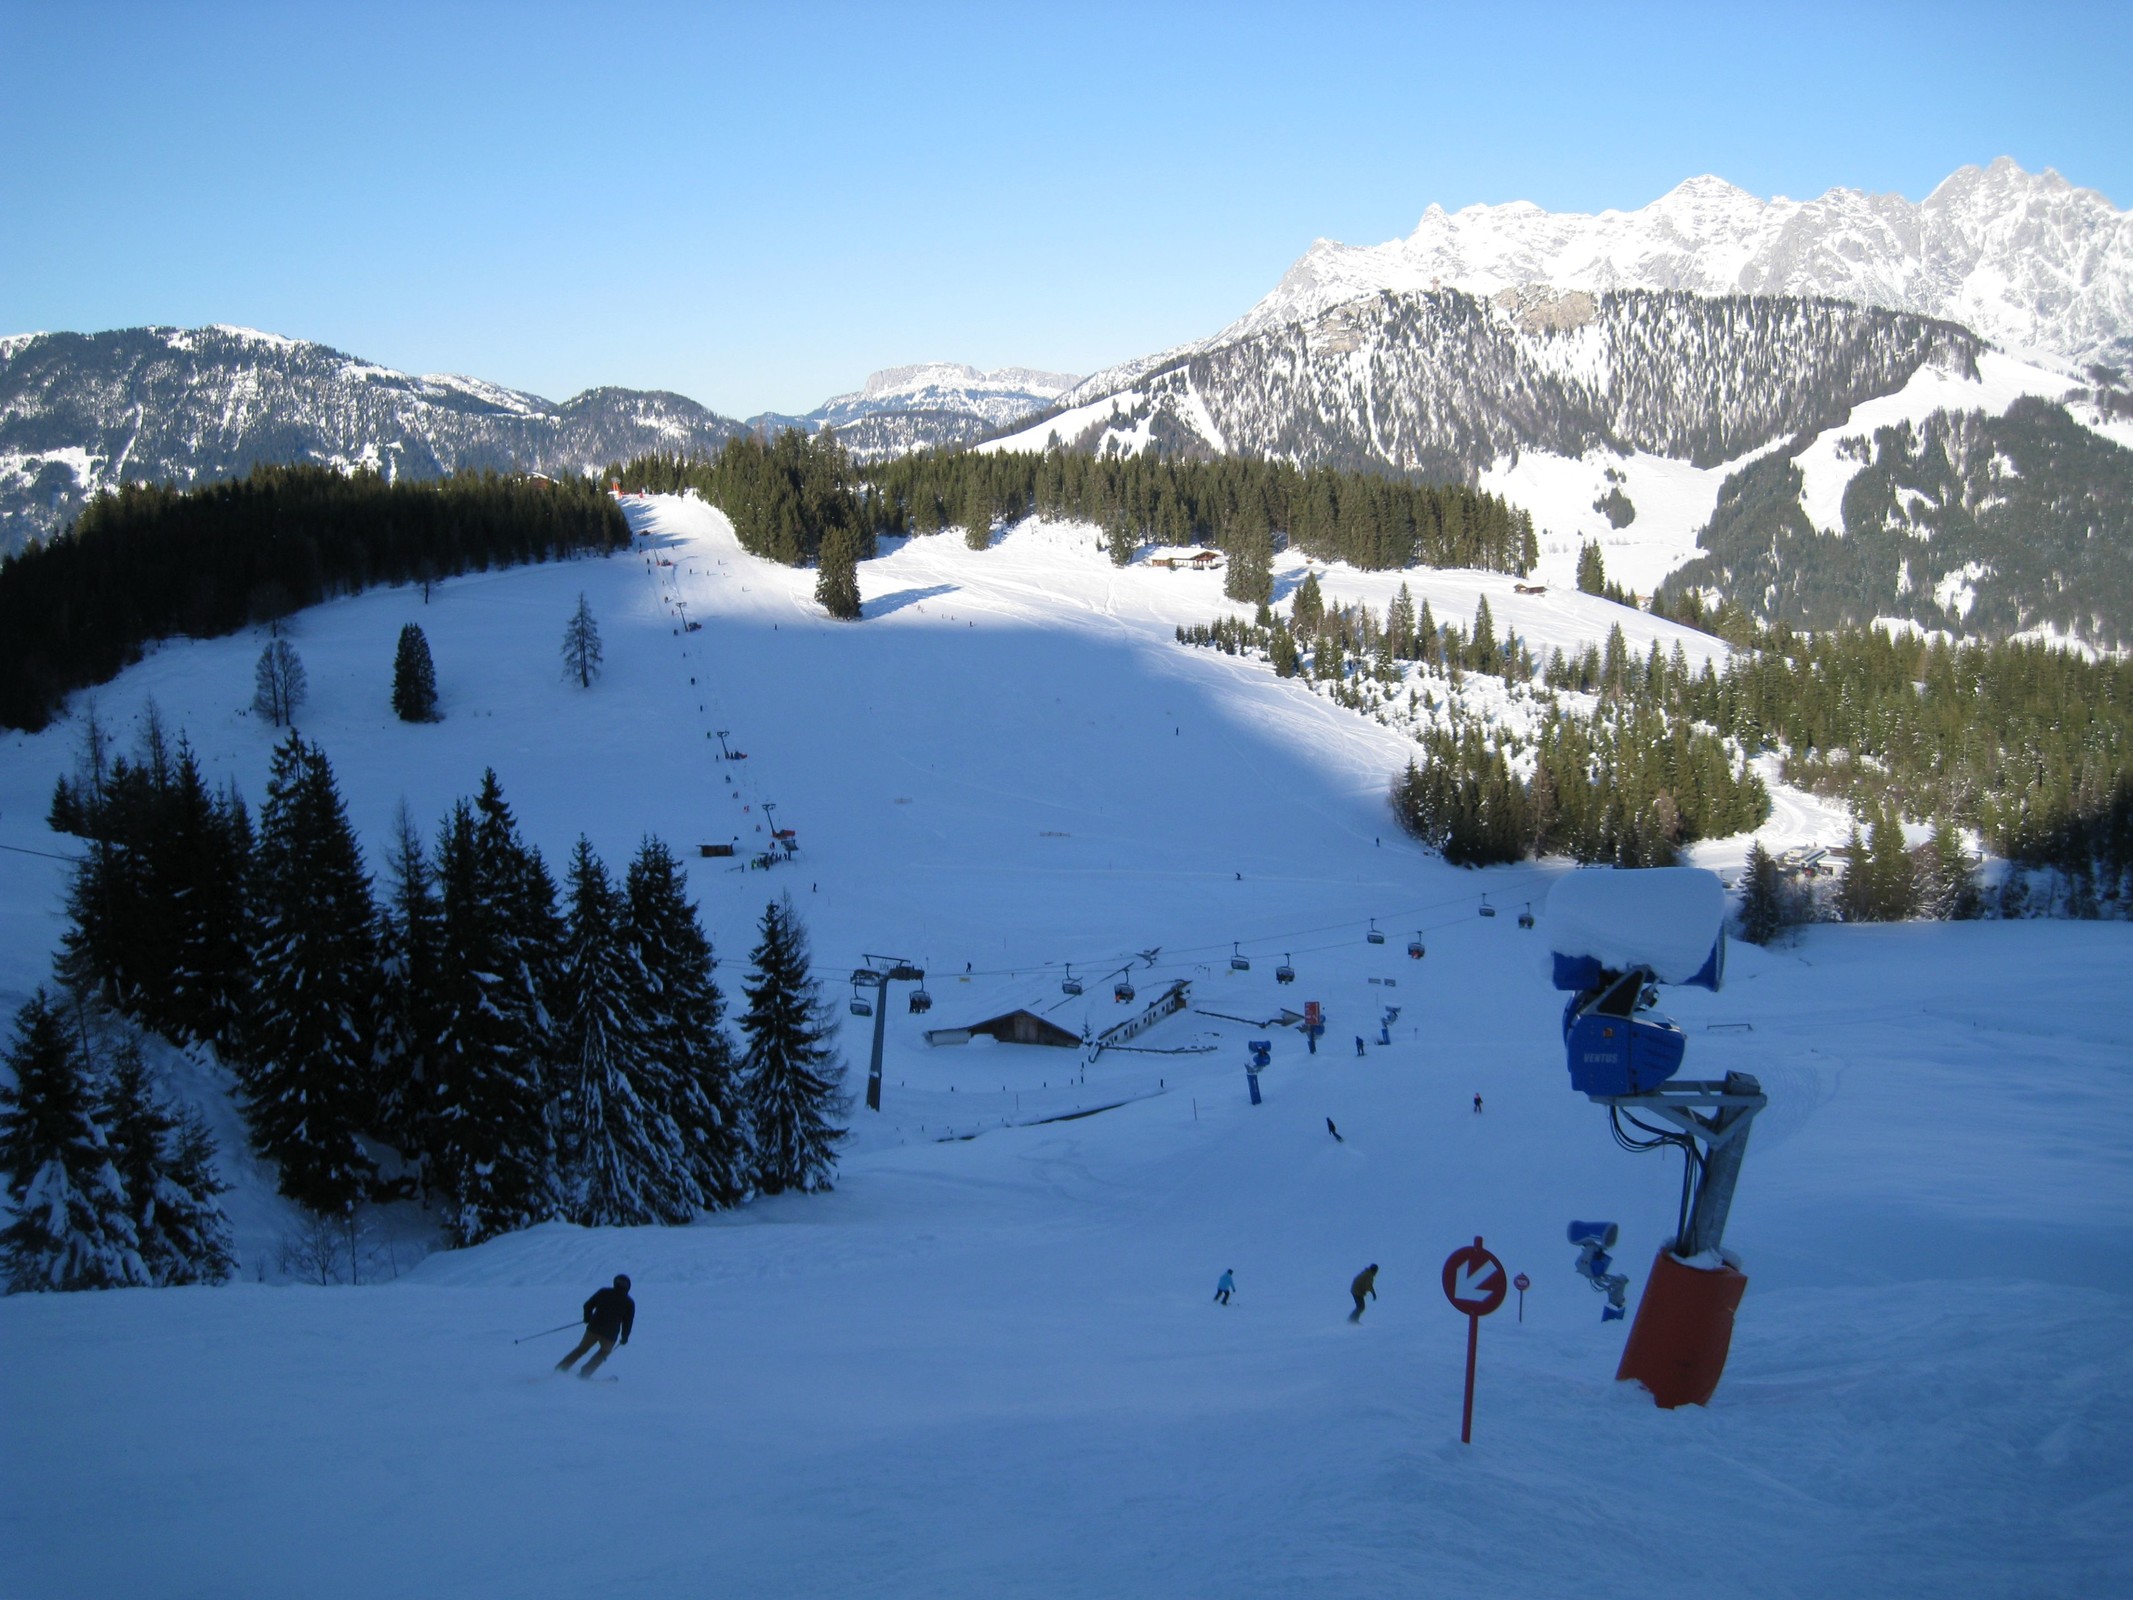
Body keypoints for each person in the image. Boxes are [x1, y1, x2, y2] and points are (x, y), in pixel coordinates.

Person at [556, 1274, 635, 1378]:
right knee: (603, 1353)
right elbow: (627, 1323)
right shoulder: (629, 1303)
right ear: (628, 1287)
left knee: (581, 1349)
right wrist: (624, 1337)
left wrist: (587, 1318)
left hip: (593, 1329)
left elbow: (588, 1305)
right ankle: (584, 1374)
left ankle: (561, 1368)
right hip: (609, 1336)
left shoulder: (604, 1292)